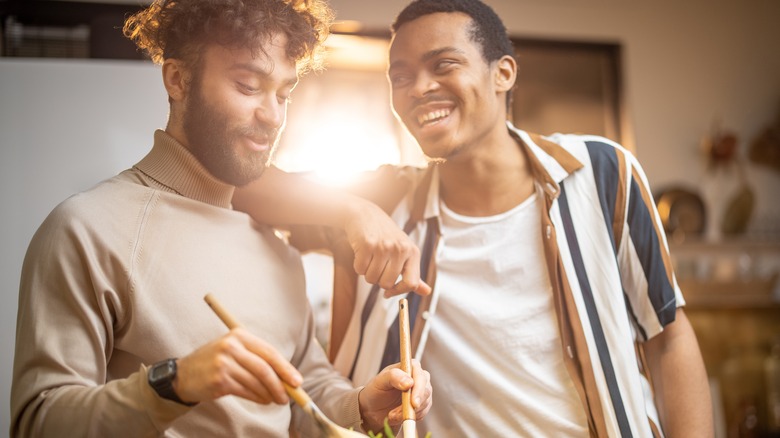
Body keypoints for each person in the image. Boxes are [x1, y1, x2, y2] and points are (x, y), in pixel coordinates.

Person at [232, 0, 714, 436]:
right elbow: (241, 183)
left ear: (503, 73)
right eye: (400, 77)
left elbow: (667, 336)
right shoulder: (386, 198)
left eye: (443, 64)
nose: (418, 88)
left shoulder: (602, 173)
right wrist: (351, 209)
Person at [9, 0, 433, 436]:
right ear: (178, 79)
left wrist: (360, 405)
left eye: (283, 94)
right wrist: (176, 382)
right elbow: (38, 422)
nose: (272, 117)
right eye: (248, 86)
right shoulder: (86, 229)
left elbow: (305, 391)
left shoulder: (275, 247)